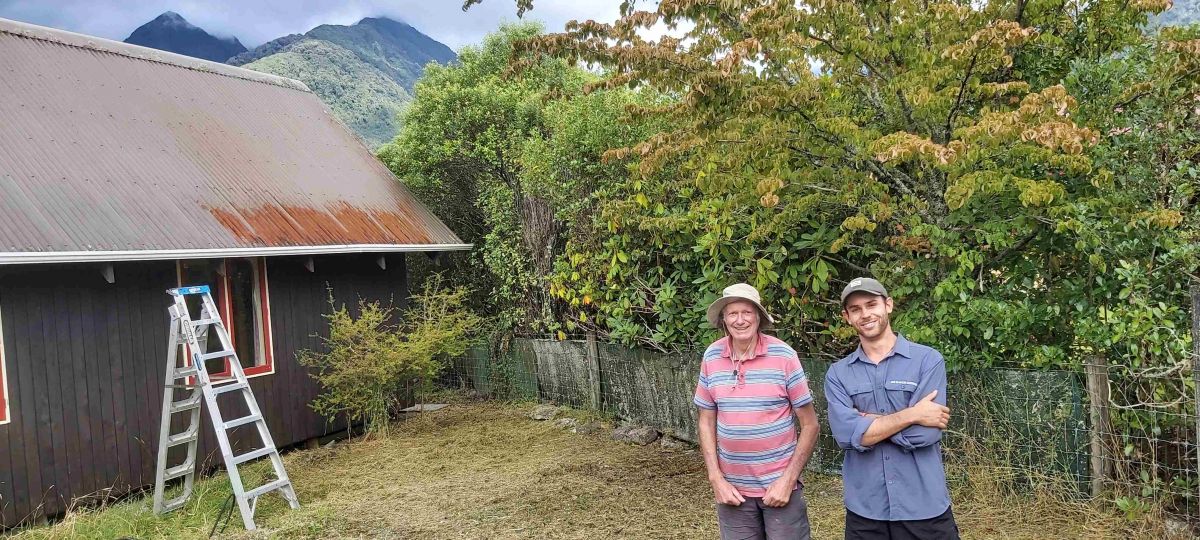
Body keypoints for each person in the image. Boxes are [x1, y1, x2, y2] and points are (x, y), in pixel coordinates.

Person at [824, 277, 960, 539]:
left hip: (924, 508)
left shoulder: (927, 360)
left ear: (888, 305)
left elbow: (925, 435)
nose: (865, 314)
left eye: (871, 304)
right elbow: (845, 435)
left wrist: (868, 426)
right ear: (847, 317)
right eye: (856, 309)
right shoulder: (838, 374)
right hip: (866, 511)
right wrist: (912, 414)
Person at [694, 283, 820, 539]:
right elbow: (706, 421)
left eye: (747, 312)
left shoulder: (784, 356)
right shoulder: (712, 356)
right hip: (733, 492)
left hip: (780, 488)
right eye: (732, 313)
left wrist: (788, 481)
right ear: (723, 320)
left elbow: (810, 425)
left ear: (759, 317)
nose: (740, 320)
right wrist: (716, 479)